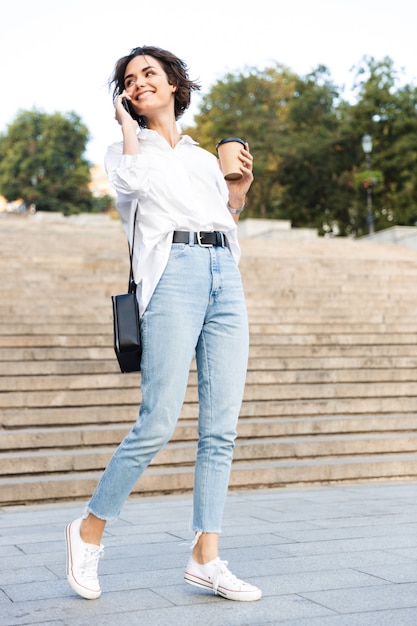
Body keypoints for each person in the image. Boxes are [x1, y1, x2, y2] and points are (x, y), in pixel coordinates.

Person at [65, 45, 261, 603]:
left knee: (220, 429)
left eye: (150, 73)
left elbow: (223, 214)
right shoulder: (122, 149)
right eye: (130, 79)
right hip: (173, 276)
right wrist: (130, 126)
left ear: (174, 84)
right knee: (158, 420)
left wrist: (239, 195)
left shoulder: (202, 156)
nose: (140, 82)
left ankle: (207, 557)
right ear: (125, 95)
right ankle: (88, 531)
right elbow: (130, 187)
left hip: (224, 272)